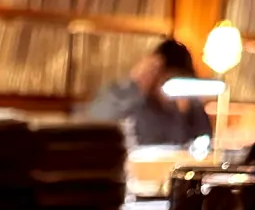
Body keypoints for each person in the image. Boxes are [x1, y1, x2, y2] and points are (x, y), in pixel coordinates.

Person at [84, 38, 212, 147]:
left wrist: (186, 114)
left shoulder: (191, 107)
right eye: (167, 79)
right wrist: (134, 85)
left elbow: (204, 141)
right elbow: (96, 126)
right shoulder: (127, 98)